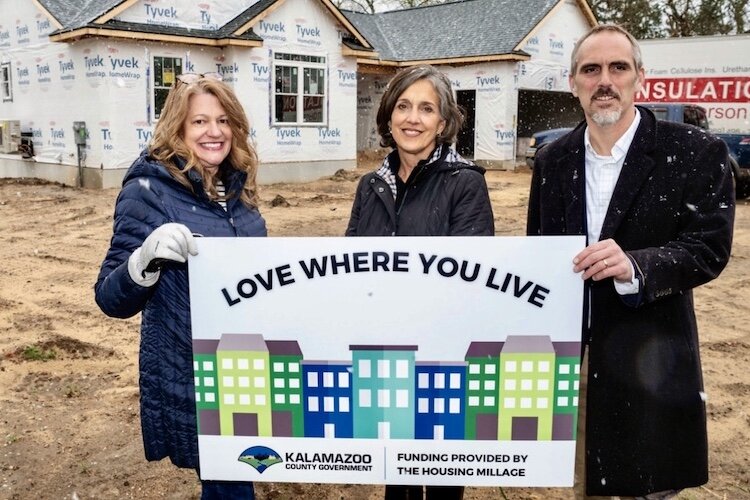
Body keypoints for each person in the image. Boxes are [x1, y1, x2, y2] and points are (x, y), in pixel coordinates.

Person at [527, 24, 735, 498]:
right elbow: (539, 249)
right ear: (572, 81)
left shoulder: (695, 152)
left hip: (654, 358)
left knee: (648, 486)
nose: (605, 80)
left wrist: (638, 265)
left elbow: (708, 248)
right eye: (591, 69)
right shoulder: (553, 161)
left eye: (618, 67)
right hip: (577, 359)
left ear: (640, 76)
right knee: (587, 483)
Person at [94, 72, 266, 499]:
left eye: (224, 120)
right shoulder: (150, 191)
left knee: (241, 473)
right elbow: (110, 299)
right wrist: (143, 259)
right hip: (194, 369)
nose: (215, 132)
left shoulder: (238, 191)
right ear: (178, 129)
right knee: (231, 483)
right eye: (200, 122)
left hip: (246, 367)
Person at [346, 65, 494, 500]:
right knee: (398, 473)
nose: (413, 118)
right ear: (389, 116)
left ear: (443, 123)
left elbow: (471, 277)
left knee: (443, 475)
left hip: (442, 356)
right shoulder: (369, 186)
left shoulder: (465, 184)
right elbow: (350, 266)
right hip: (385, 351)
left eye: (426, 109)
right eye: (404, 106)